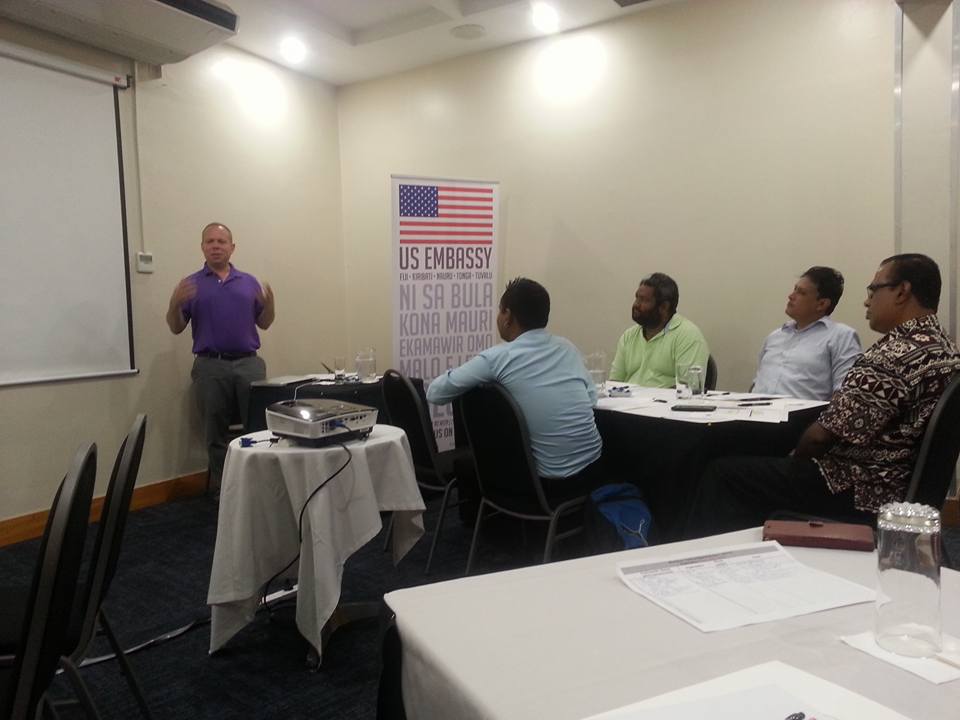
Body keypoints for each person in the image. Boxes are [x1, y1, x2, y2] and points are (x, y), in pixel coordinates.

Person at [686, 254, 960, 539]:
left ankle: (698, 562)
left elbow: (821, 436)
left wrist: (792, 458)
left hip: (860, 488)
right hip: (903, 488)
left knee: (723, 473)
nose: (867, 301)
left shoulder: (894, 355)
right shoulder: (946, 351)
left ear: (902, 291)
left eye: (873, 290)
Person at [426, 277, 603, 503]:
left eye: (500, 311)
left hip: (547, 486)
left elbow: (435, 393)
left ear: (508, 316)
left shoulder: (498, 358)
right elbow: (592, 399)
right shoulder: (567, 348)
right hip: (594, 473)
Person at [166, 222, 276, 487]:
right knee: (215, 434)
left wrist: (270, 304)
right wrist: (174, 302)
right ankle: (222, 490)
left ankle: (258, 487)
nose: (216, 246)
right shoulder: (191, 284)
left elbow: (265, 323)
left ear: (232, 247)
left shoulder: (248, 282)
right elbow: (175, 326)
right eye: (210, 241)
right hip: (210, 366)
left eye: (221, 241)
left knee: (258, 428)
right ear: (202, 247)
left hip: (249, 363)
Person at [753, 266, 861, 400]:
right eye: (794, 289)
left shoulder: (841, 336)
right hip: (754, 413)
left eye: (801, 292)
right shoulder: (775, 336)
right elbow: (756, 383)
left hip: (801, 418)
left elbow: (844, 393)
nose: (791, 296)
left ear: (821, 304)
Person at [609, 273, 709, 388]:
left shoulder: (688, 335)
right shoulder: (628, 336)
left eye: (643, 300)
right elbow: (615, 382)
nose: (636, 304)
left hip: (665, 405)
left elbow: (688, 387)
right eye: (636, 298)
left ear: (664, 307)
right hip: (625, 404)